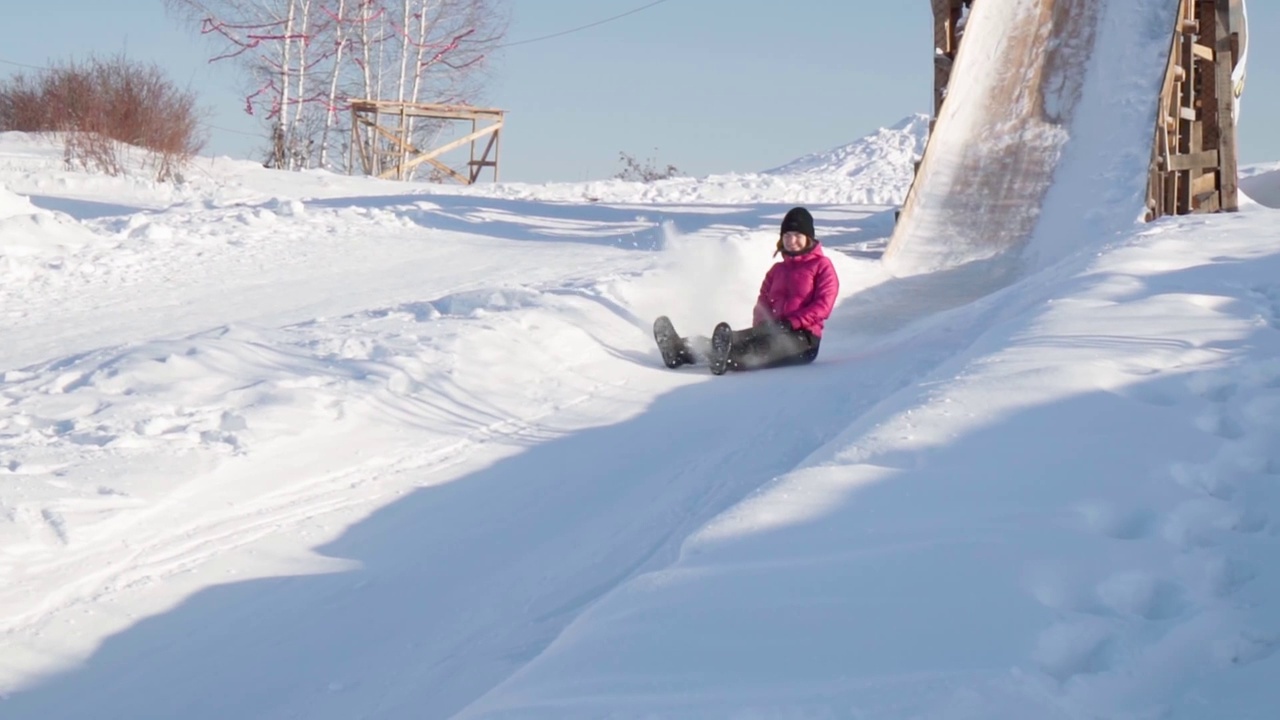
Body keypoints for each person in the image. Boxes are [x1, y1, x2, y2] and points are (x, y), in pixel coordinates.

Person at [654, 206, 839, 374]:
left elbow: (823, 305)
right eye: (787, 235)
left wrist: (791, 323)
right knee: (732, 339)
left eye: (797, 235)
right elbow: (763, 302)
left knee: (762, 348)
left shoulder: (822, 266)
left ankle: (726, 359)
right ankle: (680, 350)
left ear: (809, 238)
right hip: (772, 328)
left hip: (803, 339)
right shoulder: (777, 270)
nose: (791, 240)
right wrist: (760, 325)